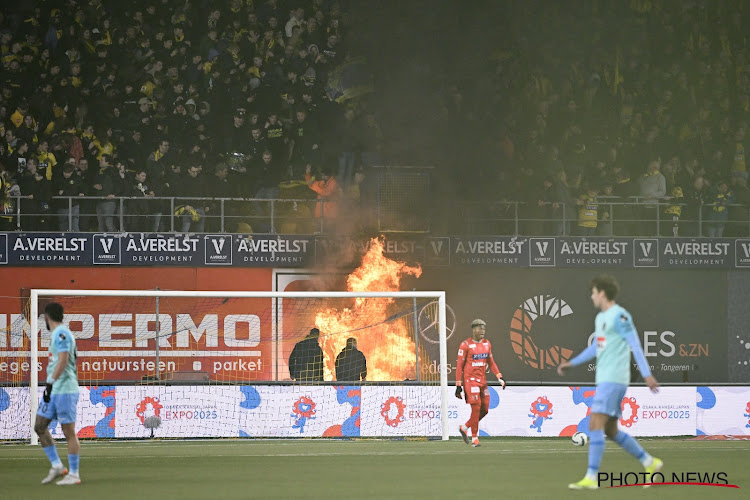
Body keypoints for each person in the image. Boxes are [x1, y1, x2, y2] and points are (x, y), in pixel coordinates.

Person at [557, 274, 661, 490]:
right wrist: (572, 362)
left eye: (593, 292)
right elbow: (596, 347)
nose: (591, 296)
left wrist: (647, 374)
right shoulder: (600, 318)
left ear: (602, 293)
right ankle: (650, 463)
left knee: (595, 423)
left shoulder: (621, 316)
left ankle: (591, 477)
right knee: (611, 430)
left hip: (614, 378)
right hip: (605, 379)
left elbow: (636, 345)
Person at [34, 302, 81, 485]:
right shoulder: (57, 334)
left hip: (65, 389)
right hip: (55, 390)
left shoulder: (62, 333)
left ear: (47, 316)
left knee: (68, 432)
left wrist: (51, 383)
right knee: (39, 425)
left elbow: (63, 360)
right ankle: (57, 466)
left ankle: (74, 474)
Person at [455, 319, 506, 448]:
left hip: (482, 381)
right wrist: (458, 385)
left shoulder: (487, 344)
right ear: (473, 330)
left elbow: (491, 362)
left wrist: (499, 376)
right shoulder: (465, 345)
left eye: (484, 328)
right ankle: (475, 439)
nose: (482, 330)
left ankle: (465, 427)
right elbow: (459, 366)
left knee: (485, 409)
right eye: (479, 328)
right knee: (476, 407)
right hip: (470, 381)